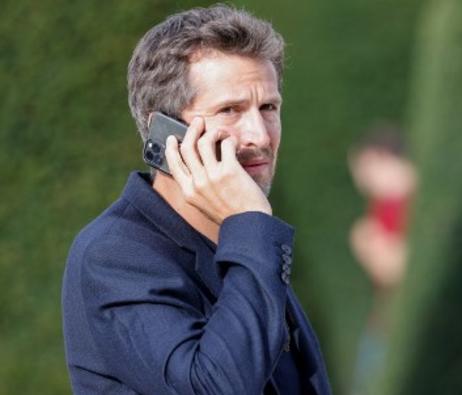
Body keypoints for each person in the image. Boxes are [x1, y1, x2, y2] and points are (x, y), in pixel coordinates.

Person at [61, 4, 331, 394]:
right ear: (165, 133)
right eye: (230, 110)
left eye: (268, 107)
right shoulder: (115, 255)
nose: (259, 135)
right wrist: (252, 224)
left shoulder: (241, 240)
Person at [347, 123, 416, 394]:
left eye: (361, 170)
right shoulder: (386, 205)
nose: (361, 181)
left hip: (394, 324)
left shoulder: (398, 204)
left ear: (377, 158)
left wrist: (367, 245)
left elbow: (399, 271)